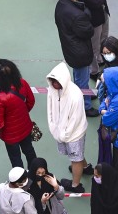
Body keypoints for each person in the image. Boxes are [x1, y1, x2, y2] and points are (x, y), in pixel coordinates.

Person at [54, 0, 98, 114]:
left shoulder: (61, 4)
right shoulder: (78, 15)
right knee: (82, 79)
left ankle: (85, 95)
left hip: (70, 48)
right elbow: (88, 32)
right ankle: (85, 106)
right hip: (80, 52)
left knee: (79, 76)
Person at [46, 62, 89, 193]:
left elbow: (75, 120)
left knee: (75, 158)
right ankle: (85, 167)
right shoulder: (52, 91)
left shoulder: (75, 94)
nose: (54, 84)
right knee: (77, 155)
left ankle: (76, 185)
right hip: (60, 132)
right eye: (52, 81)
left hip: (74, 134)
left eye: (57, 81)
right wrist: (53, 128)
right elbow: (50, 110)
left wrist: (64, 135)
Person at [0, 60, 37, 170]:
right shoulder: (23, 83)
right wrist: (23, 113)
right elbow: (31, 101)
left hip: (10, 135)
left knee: (15, 158)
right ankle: (35, 171)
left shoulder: (0, 98)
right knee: (29, 151)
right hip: (25, 127)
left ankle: (21, 179)